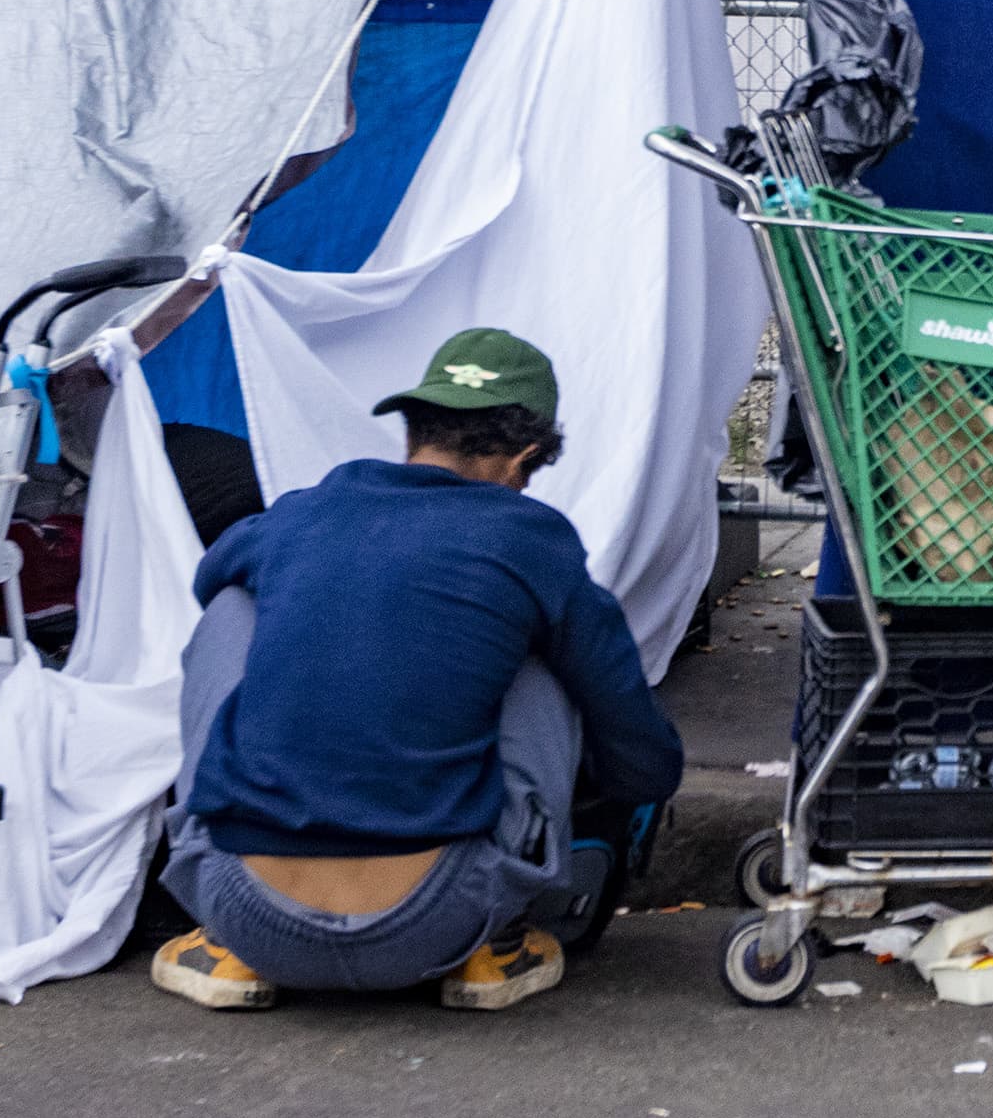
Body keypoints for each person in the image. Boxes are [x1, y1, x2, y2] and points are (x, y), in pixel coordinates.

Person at [152, 328, 682, 1013]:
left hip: (249, 914)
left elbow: (211, 576)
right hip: (442, 921)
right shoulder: (532, 539)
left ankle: (222, 950)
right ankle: (499, 948)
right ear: (523, 458)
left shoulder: (304, 513)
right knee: (545, 652)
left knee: (232, 608)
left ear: (414, 428)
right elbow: (643, 762)